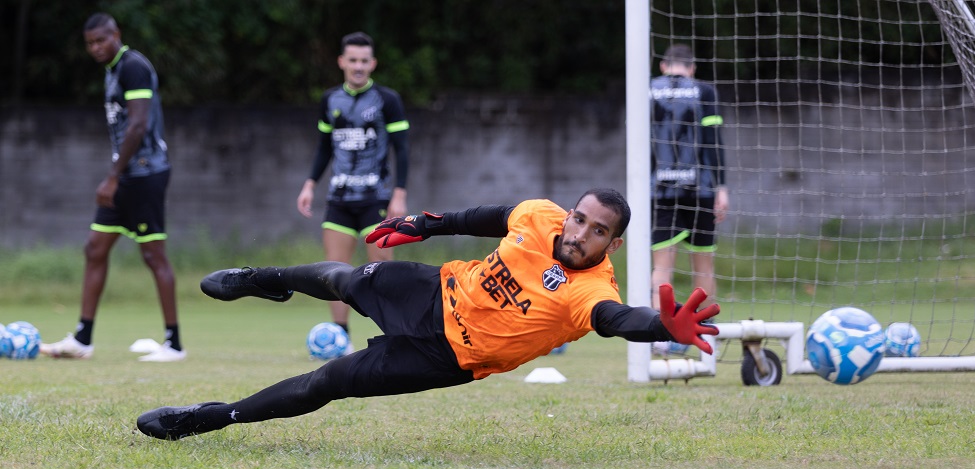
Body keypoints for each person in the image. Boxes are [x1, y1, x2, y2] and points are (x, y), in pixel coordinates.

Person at [136, 188, 720, 440]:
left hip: (446, 356)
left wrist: (661, 327)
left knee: (329, 381)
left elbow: (618, 320)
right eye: (580, 220)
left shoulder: (591, 289)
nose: (582, 234)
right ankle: (258, 281)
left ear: (612, 245)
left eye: (599, 232)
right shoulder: (540, 215)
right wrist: (421, 224)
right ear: (567, 214)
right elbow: (489, 216)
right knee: (339, 277)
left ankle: (212, 418)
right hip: (432, 291)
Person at [40, 13, 184, 362]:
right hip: (125, 175)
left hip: (145, 173)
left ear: (116, 34)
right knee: (95, 248)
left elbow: (137, 126)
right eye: (90, 43)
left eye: (101, 40)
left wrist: (113, 176)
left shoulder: (133, 66)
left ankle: (174, 344)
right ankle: (83, 339)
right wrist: (117, 175)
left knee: (153, 255)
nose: (95, 48)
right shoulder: (112, 71)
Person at [295, 31, 410, 353]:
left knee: (381, 273)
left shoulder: (388, 100)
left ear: (372, 63)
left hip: (376, 198)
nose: (358, 66)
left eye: (364, 61)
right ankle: (340, 338)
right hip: (339, 200)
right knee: (334, 273)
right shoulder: (330, 99)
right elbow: (323, 147)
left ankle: (394, 337)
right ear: (342, 62)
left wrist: (399, 194)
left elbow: (402, 150)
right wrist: (309, 184)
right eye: (352, 60)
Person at [649, 44, 729, 356]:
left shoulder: (647, 90)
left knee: (661, 269)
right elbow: (714, 142)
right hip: (701, 191)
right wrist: (722, 187)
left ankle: (658, 336)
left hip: (660, 191)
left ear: (663, 66)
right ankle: (708, 336)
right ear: (692, 68)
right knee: (704, 266)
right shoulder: (705, 91)